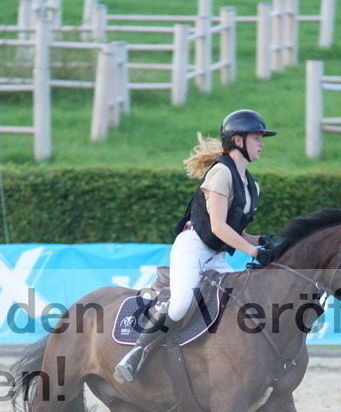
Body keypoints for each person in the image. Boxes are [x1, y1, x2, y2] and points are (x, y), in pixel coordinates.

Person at [114, 109, 277, 384]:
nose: (262, 142)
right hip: (193, 246)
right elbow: (218, 227)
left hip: (215, 254)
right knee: (180, 305)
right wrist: (253, 252)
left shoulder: (252, 185)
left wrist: (260, 241)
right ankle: (137, 353)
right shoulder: (221, 173)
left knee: (240, 301)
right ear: (238, 140)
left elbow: (236, 230)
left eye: (261, 138)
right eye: (256, 137)